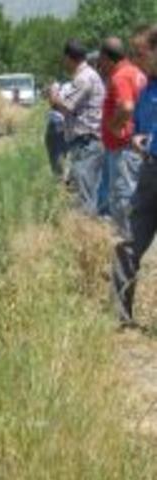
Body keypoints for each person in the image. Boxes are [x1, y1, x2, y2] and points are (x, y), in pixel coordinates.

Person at [112, 25, 157, 329]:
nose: (136, 60)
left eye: (141, 53)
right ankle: (120, 318)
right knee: (129, 241)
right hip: (149, 172)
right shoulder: (148, 89)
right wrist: (137, 139)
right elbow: (139, 127)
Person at [97, 37, 148, 237]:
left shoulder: (120, 76)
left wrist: (113, 124)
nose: (100, 65)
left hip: (122, 149)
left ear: (108, 58)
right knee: (129, 195)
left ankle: (127, 246)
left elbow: (126, 106)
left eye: (101, 60)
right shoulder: (136, 72)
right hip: (131, 147)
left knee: (123, 197)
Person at [49, 40, 106, 216]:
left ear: (69, 58)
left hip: (86, 142)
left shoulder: (83, 78)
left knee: (84, 194)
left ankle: (87, 237)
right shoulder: (88, 75)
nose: (63, 63)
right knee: (81, 189)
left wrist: (53, 94)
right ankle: (84, 233)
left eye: (64, 59)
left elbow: (65, 106)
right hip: (85, 142)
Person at [45, 81, 73, 179]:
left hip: (57, 122)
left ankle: (60, 179)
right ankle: (66, 178)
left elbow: (53, 100)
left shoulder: (59, 85)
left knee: (56, 155)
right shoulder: (76, 84)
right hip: (69, 125)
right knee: (67, 154)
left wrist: (53, 94)